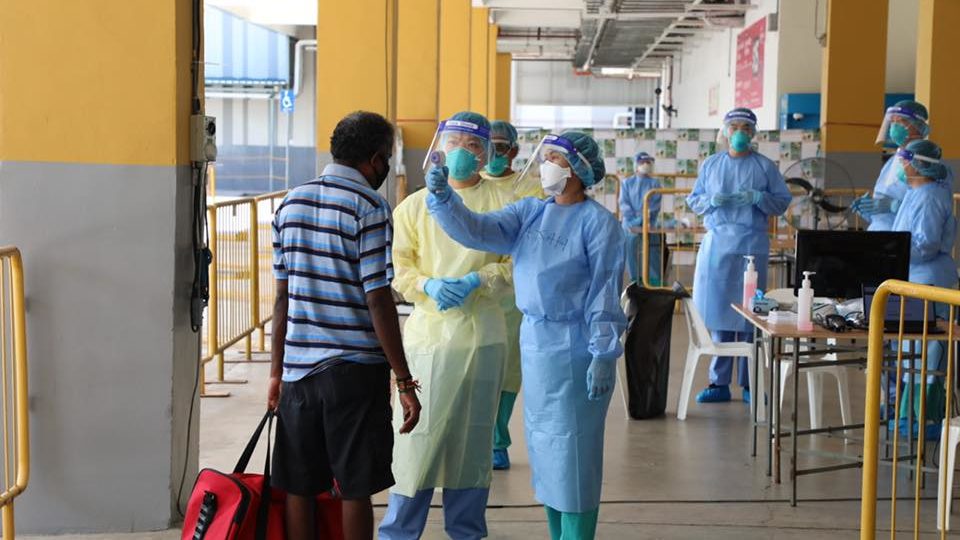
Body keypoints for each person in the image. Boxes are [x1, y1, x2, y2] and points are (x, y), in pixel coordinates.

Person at [426, 130, 626, 540]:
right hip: (536, 345)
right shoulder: (531, 212)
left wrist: (604, 353)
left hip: (576, 347)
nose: (544, 165)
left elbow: (605, 291)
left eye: (553, 158)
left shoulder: (599, 225)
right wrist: (444, 197)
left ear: (577, 169)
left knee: (574, 456)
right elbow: (478, 230)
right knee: (548, 454)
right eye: (545, 156)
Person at [268, 111, 421, 540]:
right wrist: (404, 380)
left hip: (299, 374)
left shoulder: (290, 202)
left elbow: (282, 298)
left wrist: (276, 372)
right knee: (354, 487)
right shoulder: (369, 207)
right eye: (386, 158)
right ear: (374, 159)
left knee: (300, 485)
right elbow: (378, 298)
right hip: (354, 375)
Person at [378, 112, 512, 540]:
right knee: (416, 442)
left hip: (482, 336)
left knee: (472, 443)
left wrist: (480, 279)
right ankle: (399, 530)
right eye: (455, 142)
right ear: (440, 146)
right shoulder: (413, 206)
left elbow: (512, 266)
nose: (463, 153)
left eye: (473, 146)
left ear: (487, 153)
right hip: (428, 338)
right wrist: (429, 285)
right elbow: (399, 271)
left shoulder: (503, 205)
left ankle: (467, 530)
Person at [686, 108, 791, 404]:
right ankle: (718, 383)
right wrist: (711, 201)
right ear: (726, 131)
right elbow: (695, 199)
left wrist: (760, 198)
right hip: (718, 244)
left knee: (749, 317)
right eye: (735, 126)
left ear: (754, 133)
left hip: (751, 243)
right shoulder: (711, 165)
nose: (741, 131)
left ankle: (750, 383)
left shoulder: (764, 167)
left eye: (746, 127)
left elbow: (782, 202)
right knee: (719, 314)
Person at [479, 120, 543, 470]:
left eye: (501, 147)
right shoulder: (470, 187)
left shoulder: (528, 190)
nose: (493, 154)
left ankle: (497, 439)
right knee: (474, 370)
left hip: (512, 294)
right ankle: (474, 438)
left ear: (515, 151)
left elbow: (526, 243)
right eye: (486, 146)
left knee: (506, 372)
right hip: (472, 292)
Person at [890, 139, 956, 431]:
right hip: (912, 278)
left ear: (916, 163)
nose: (901, 165)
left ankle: (926, 418)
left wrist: (894, 250)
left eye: (904, 159)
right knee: (911, 350)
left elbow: (926, 244)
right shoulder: (914, 193)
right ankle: (909, 415)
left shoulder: (931, 197)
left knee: (929, 354)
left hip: (930, 279)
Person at [852, 100, 932, 230]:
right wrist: (869, 209)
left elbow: (928, 208)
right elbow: (883, 200)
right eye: (892, 122)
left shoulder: (925, 161)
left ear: (917, 126)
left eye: (899, 122)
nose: (894, 127)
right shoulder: (892, 161)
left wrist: (894, 205)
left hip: (904, 236)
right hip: (880, 233)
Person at [619, 151, 663, 285]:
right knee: (632, 252)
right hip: (630, 225)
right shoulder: (627, 183)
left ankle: (653, 282)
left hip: (649, 223)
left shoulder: (655, 184)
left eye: (648, 162)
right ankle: (636, 281)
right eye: (642, 162)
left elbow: (655, 205)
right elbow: (623, 203)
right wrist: (635, 220)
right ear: (636, 165)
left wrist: (645, 218)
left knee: (652, 251)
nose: (646, 165)